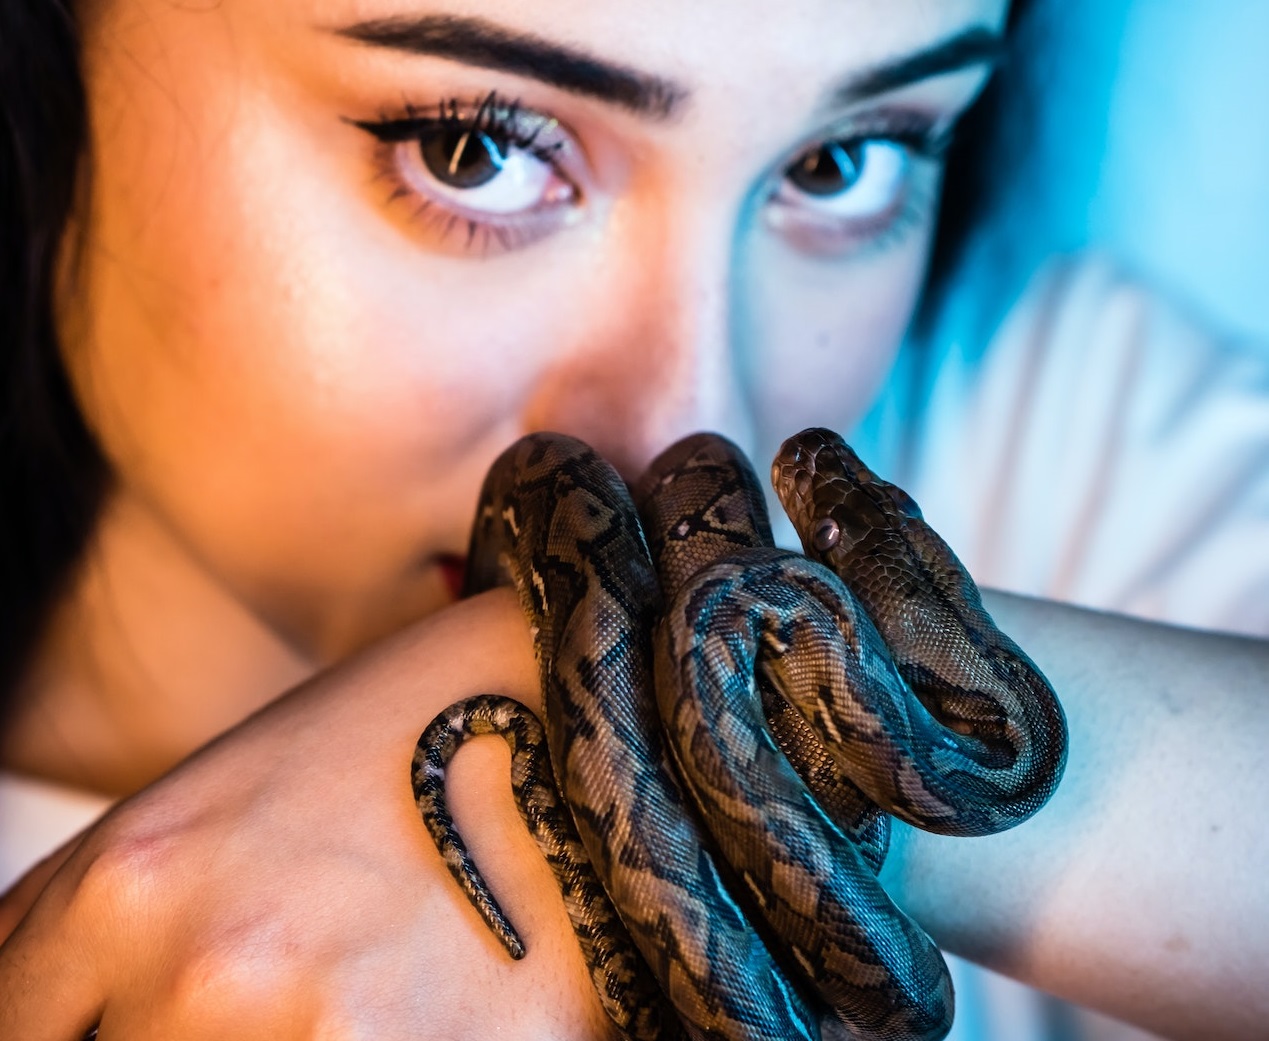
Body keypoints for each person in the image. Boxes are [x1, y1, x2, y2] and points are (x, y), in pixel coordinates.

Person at [0, 1, 1266, 1039]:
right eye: (470, 148)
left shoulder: (1062, 420)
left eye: (842, 161)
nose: (684, 426)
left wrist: (551, 690)